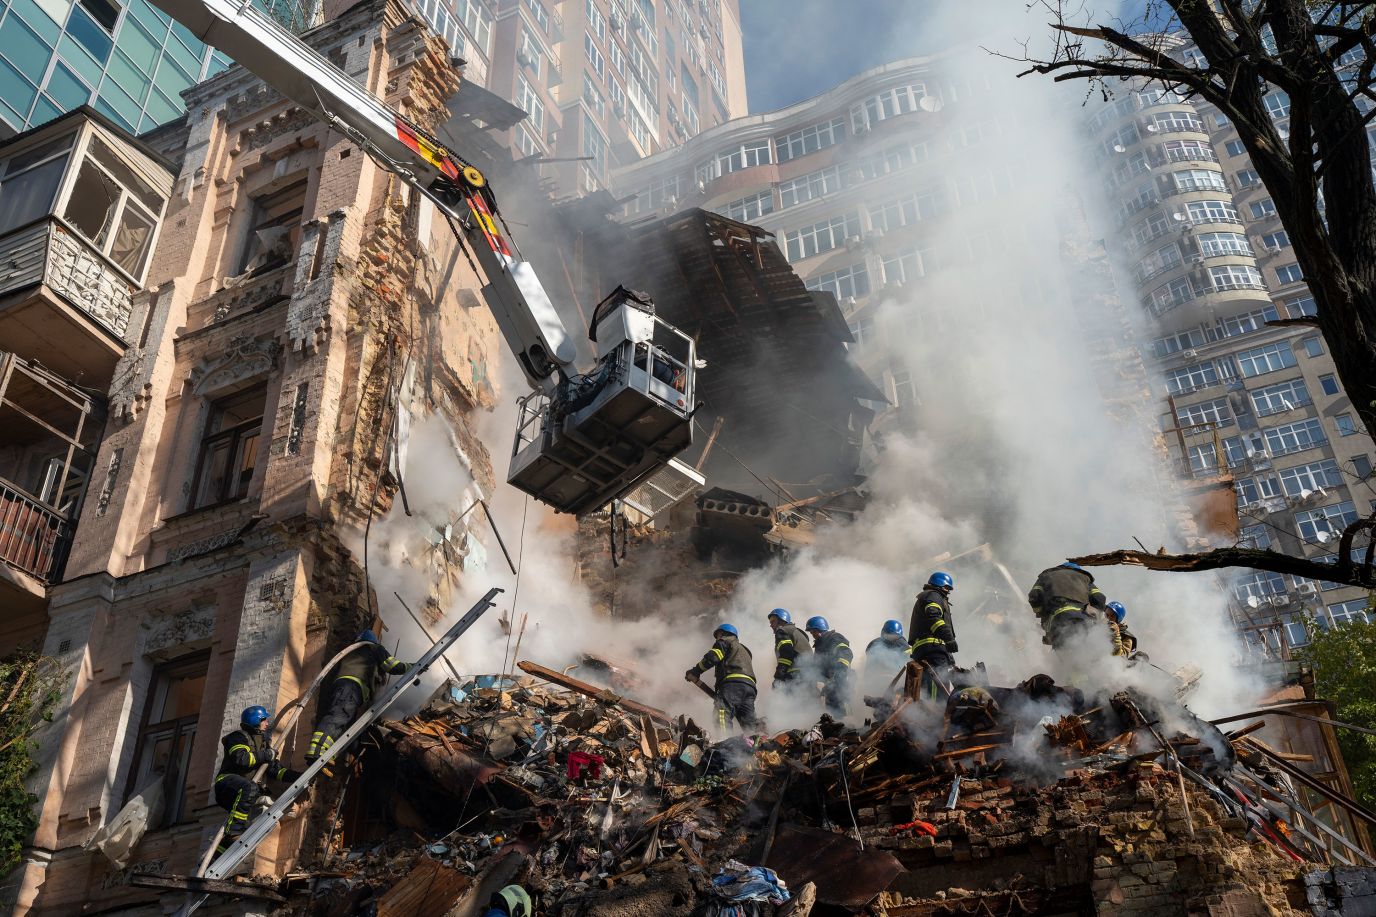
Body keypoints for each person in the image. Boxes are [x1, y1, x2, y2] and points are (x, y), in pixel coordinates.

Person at [306, 630, 414, 765]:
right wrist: (412, 667)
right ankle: (317, 750)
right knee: (338, 717)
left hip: (343, 687)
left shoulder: (350, 652)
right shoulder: (374, 647)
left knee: (342, 723)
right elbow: (393, 666)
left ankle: (326, 755)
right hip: (351, 687)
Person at [213, 705, 301, 856]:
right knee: (250, 788)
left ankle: (219, 852)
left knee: (248, 809)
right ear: (256, 720)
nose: (267, 724)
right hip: (226, 783)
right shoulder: (238, 737)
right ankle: (233, 832)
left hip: (243, 792)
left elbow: (275, 770)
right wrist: (266, 755)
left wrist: (297, 777)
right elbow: (243, 759)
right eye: (264, 720)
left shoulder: (264, 744)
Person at [685, 623, 758, 731]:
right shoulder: (745, 650)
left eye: (718, 635)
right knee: (749, 723)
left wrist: (696, 671)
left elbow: (712, 658)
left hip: (732, 684)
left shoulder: (725, 641)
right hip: (750, 688)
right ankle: (755, 745)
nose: (717, 638)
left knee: (722, 713)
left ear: (724, 633)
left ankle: (724, 742)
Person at [1027, 562, 1108, 649]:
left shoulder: (1047, 576)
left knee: (1062, 655)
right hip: (1084, 619)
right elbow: (1100, 598)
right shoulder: (1084, 578)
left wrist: (1042, 613)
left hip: (1059, 619)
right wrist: (1095, 619)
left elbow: (1034, 596)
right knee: (1086, 654)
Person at [908, 572, 958, 700]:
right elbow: (933, 616)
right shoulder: (933, 595)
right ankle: (937, 713)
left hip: (926, 649)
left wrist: (949, 656)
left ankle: (923, 714)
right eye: (947, 588)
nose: (948, 591)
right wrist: (949, 638)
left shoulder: (928, 596)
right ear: (939, 584)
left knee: (926, 686)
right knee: (939, 685)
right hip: (933, 649)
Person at [806, 616, 853, 717]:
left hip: (841, 683)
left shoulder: (834, 638)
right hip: (830, 685)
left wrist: (839, 674)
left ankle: (850, 727)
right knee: (832, 714)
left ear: (821, 628)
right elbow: (819, 667)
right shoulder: (819, 645)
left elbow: (846, 653)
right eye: (811, 632)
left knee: (844, 711)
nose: (813, 635)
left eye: (814, 631)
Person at [767, 608, 812, 688]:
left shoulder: (783, 631)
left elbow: (786, 654)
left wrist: (778, 677)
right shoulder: (797, 633)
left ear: (781, 621)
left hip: (796, 676)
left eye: (773, 621)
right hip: (810, 676)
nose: (771, 625)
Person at [864, 620, 910, 696]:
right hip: (881, 681)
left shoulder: (874, 643)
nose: (890, 638)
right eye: (889, 635)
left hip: (894, 682)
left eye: (893, 636)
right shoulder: (875, 644)